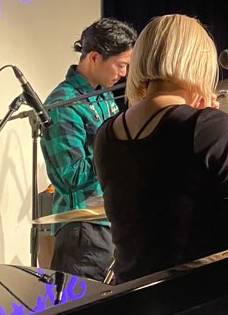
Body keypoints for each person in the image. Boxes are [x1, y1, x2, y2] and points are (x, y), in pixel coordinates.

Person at [93, 14, 228, 284]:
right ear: (198, 62)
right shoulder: (210, 126)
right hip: (194, 295)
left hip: (128, 295)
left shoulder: (105, 134)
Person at [42, 18, 136, 281]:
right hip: (84, 231)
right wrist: (117, 148)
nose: (124, 74)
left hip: (110, 220)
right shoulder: (64, 103)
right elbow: (71, 176)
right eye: (120, 65)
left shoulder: (103, 95)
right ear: (94, 57)